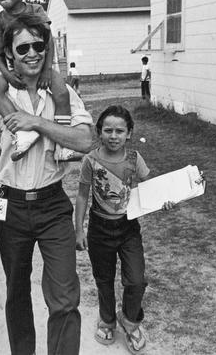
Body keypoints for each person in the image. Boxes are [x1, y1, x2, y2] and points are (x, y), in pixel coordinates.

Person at [0, 13, 94, 355]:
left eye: (38, 45)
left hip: (53, 205)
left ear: (46, 48)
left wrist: (37, 123)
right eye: (22, 47)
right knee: (17, 293)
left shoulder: (61, 92)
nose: (31, 53)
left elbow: (86, 141)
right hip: (9, 206)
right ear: (9, 54)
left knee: (65, 297)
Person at [73, 105, 174, 354]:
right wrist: (79, 230)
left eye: (120, 131)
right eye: (108, 130)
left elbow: (150, 189)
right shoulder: (91, 160)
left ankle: (130, 321)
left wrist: (164, 202)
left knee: (137, 280)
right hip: (99, 229)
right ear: (99, 132)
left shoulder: (134, 159)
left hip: (128, 229)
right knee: (104, 280)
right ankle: (107, 320)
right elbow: (83, 196)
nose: (114, 136)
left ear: (129, 133)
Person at [0, 0, 80, 162]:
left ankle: (63, 147)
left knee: (62, 92)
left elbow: (48, 42)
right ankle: (22, 133)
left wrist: (48, 70)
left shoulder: (36, 10)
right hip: (17, 69)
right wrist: (8, 75)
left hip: (41, 64)